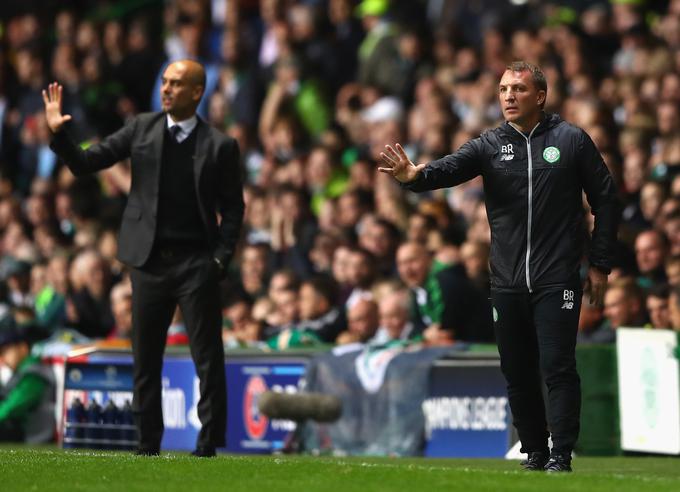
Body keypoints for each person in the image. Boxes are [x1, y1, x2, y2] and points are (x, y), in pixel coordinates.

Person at [380, 61, 619, 472]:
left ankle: (561, 453)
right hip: (506, 280)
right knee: (517, 370)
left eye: (519, 89)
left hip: (557, 276)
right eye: (504, 89)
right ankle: (534, 450)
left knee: (557, 365)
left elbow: (608, 201)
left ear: (540, 96)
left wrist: (599, 264)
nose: (509, 96)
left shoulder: (572, 140)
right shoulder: (490, 145)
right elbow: (448, 169)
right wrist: (414, 177)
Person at [43, 59, 245, 457]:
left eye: (176, 83)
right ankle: (146, 444)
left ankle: (207, 445)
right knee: (145, 358)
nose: (166, 88)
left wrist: (220, 260)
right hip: (149, 261)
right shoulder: (141, 127)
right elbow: (87, 163)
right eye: (165, 81)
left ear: (197, 92)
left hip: (196, 263)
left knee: (207, 357)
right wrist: (60, 134)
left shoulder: (220, 146)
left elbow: (234, 209)